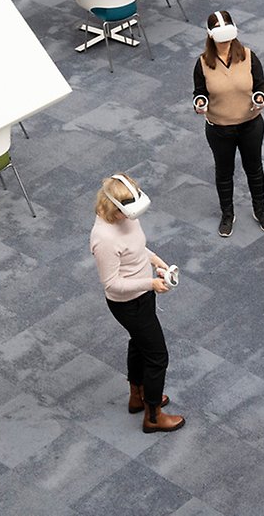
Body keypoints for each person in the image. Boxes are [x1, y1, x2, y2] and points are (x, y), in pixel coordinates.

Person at [90, 174, 185, 433]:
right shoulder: (104, 239)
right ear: (114, 208)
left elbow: (136, 248)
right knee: (157, 357)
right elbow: (111, 284)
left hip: (142, 296)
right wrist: (150, 284)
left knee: (139, 344)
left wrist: (156, 261)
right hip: (128, 304)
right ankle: (153, 416)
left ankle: (138, 396)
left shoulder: (127, 215)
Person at [193, 10, 264, 237]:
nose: (226, 41)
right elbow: (200, 93)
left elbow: (261, 86)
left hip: (250, 125)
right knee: (224, 172)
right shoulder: (202, 63)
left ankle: (261, 211)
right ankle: (227, 214)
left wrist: (260, 97)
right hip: (219, 129)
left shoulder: (248, 56)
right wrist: (200, 103)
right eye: (221, 37)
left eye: (228, 36)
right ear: (211, 36)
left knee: (254, 169)